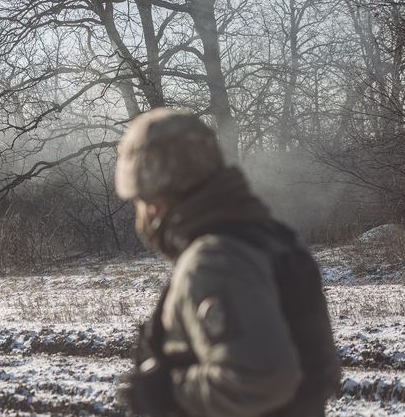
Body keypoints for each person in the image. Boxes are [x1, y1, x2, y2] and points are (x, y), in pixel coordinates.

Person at [115, 109, 340, 417]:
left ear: (155, 201)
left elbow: (263, 378)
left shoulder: (214, 260)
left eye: (139, 202)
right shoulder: (269, 238)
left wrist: (169, 393)